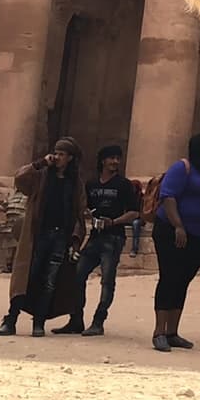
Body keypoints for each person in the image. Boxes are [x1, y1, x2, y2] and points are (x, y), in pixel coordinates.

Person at [0, 137, 86, 338]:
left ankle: (39, 322)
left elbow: (79, 213)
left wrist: (75, 240)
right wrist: (39, 163)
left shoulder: (75, 183)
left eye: (62, 154)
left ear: (70, 158)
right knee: (27, 278)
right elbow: (19, 179)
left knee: (49, 281)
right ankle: (11, 319)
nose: (57, 157)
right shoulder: (42, 176)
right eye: (56, 152)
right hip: (38, 235)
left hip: (60, 238)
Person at [53, 143, 142, 337]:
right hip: (94, 237)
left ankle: (98, 321)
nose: (115, 162)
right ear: (103, 160)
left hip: (114, 238)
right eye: (111, 158)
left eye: (118, 158)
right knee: (77, 276)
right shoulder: (91, 184)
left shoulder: (124, 185)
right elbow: (83, 207)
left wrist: (113, 222)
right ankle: (76, 319)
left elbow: (134, 212)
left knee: (107, 281)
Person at [151, 132, 200, 353]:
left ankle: (172, 331)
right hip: (173, 233)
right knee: (169, 277)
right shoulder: (181, 168)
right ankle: (159, 332)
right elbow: (168, 196)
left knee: (183, 280)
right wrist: (179, 226)